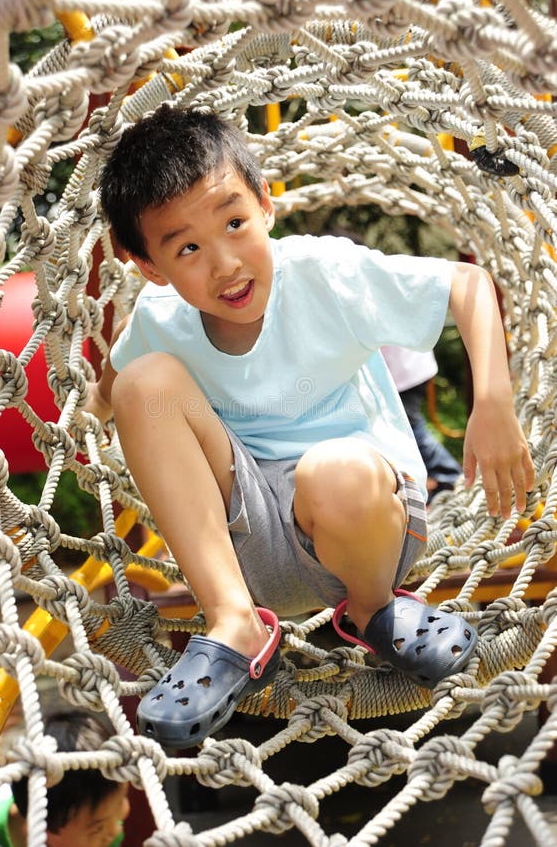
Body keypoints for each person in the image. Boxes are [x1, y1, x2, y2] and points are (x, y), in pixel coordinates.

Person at [88, 104, 534, 749]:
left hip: (364, 526)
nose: (225, 264)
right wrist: (78, 428)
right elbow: (114, 393)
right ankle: (235, 621)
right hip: (241, 545)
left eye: (235, 223)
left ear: (266, 205)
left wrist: (493, 402)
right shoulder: (160, 318)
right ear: (150, 267)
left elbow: (467, 284)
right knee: (145, 381)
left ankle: (375, 608)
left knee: (333, 473)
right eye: (187, 247)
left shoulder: (325, 275)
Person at [0, 710, 130, 847]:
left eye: (121, 802)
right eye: (97, 828)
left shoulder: (101, 827)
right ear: (42, 828)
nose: (115, 830)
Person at [381, 345, 463, 500]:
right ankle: (448, 477)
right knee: (410, 428)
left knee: (410, 430)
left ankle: (450, 476)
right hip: (409, 368)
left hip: (401, 373)